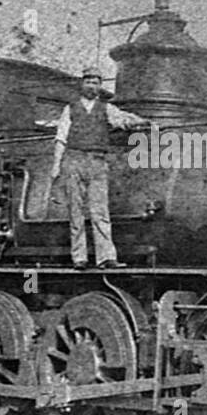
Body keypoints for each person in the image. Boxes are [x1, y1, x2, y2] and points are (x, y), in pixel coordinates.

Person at [38, 68, 151, 269]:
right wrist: (56, 166)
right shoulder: (70, 109)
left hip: (97, 162)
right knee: (76, 212)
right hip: (74, 160)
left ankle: (106, 258)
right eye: (89, 81)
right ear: (82, 84)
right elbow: (61, 138)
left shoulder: (106, 108)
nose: (92, 86)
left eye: (96, 82)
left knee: (100, 211)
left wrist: (142, 121)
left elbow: (122, 119)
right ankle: (79, 258)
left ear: (100, 87)